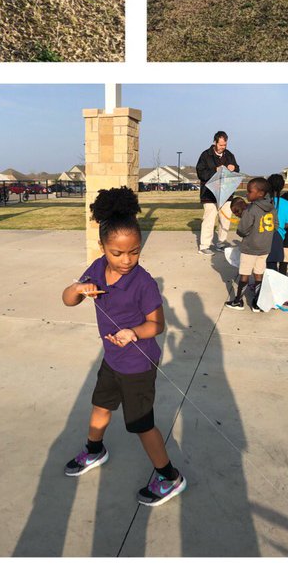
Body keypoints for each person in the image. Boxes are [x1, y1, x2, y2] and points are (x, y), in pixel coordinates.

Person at [61, 188, 186, 507]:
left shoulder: (143, 283)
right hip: (112, 360)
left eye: (134, 252)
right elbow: (68, 300)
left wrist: (134, 332)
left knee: (141, 424)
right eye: (118, 253)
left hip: (138, 366)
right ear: (103, 247)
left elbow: (156, 325)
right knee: (100, 406)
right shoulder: (97, 268)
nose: (127, 260)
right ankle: (94, 449)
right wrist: (77, 288)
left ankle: (168, 476)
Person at [226, 178, 275, 311]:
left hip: (250, 248)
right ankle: (257, 302)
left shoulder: (250, 210)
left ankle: (238, 301)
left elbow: (242, 230)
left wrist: (244, 232)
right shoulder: (271, 208)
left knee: (245, 273)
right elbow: (275, 225)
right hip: (265, 247)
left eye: (249, 191)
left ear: (260, 193)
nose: (247, 194)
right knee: (259, 273)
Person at [195, 131, 237, 255]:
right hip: (209, 195)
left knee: (225, 220)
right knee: (209, 220)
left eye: (225, 145)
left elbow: (237, 168)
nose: (223, 147)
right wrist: (215, 170)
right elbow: (200, 173)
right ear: (215, 142)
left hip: (226, 193)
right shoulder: (205, 155)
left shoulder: (229, 155)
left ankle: (221, 243)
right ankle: (204, 246)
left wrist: (233, 168)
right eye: (221, 145)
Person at [265, 173, 288, 274]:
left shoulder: (263, 202)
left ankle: (260, 285)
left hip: (262, 235)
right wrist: (281, 225)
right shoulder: (285, 203)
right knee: (272, 265)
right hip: (277, 236)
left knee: (262, 265)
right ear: (282, 186)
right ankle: (270, 287)